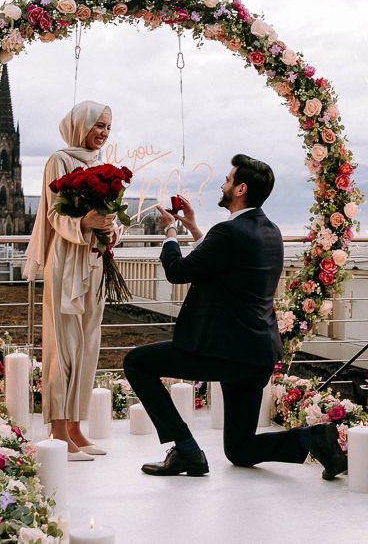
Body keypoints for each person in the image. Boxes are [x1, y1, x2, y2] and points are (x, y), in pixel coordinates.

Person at [123, 154, 347, 478]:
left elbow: (178, 271)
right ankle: (313, 438)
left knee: (137, 363)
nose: (223, 184)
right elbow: (225, 264)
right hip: (256, 355)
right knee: (239, 450)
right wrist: (195, 229)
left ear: (240, 188)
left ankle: (186, 450)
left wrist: (170, 232)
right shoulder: (270, 231)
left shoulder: (228, 233)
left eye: (228, 179)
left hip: (223, 353)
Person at [25, 101, 116, 460]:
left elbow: (112, 214)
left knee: (88, 345)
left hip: (94, 261)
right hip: (65, 261)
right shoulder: (59, 161)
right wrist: (82, 224)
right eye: (98, 125)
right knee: (61, 347)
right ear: (80, 125)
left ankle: (77, 429)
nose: (104, 132)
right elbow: (52, 213)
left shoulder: (104, 168)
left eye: (108, 126)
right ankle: (58, 432)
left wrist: (111, 228)